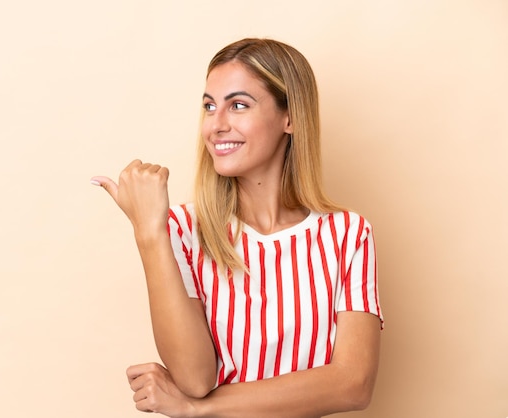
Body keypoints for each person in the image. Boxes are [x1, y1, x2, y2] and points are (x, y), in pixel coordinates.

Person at [91, 38, 383, 418]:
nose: (216, 125)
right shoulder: (179, 229)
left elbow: (353, 385)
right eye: (209, 106)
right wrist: (148, 233)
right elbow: (196, 377)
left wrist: (194, 409)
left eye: (238, 105)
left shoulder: (347, 234)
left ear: (290, 117)